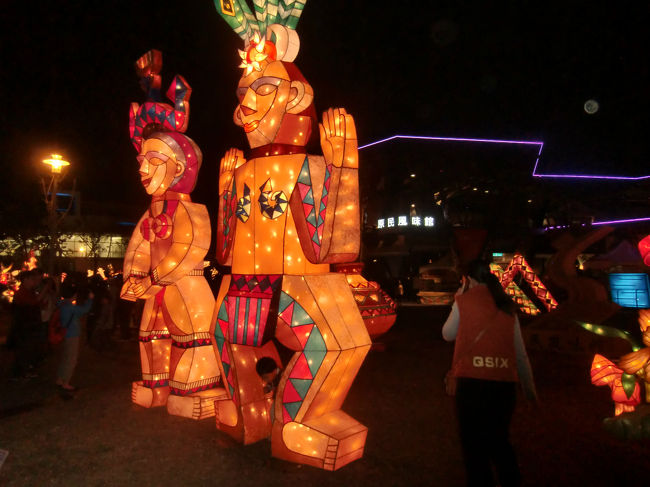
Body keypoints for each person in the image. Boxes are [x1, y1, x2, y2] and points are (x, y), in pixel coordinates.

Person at [442, 259, 537, 487]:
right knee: (500, 443)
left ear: (469, 278)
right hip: (503, 386)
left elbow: (447, 334)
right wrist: (530, 389)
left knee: (474, 450)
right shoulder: (506, 305)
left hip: (472, 383)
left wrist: (459, 297)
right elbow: (520, 353)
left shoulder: (464, 301)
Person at [56, 283, 93, 392]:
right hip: (72, 335)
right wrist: (90, 300)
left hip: (65, 334)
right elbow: (84, 310)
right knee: (71, 360)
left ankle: (59, 379)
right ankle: (66, 382)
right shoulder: (70, 307)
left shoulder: (62, 304)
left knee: (65, 358)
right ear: (73, 295)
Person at [9, 269, 44, 379]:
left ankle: (25, 370)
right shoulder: (21, 293)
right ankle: (19, 372)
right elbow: (32, 303)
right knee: (23, 350)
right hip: (23, 328)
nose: (34, 282)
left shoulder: (30, 292)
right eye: (32, 279)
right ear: (25, 280)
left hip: (30, 327)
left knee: (28, 350)